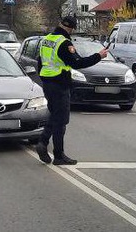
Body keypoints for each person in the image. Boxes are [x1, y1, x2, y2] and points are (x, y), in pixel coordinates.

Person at [36, 16, 108, 165]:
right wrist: (98, 56)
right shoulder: (64, 43)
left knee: (54, 115)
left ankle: (42, 142)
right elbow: (78, 62)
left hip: (47, 83)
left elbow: (40, 62)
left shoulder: (47, 39)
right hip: (59, 85)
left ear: (60, 23)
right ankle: (58, 155)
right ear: (71, 29)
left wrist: (45, 78)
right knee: (60, 122)